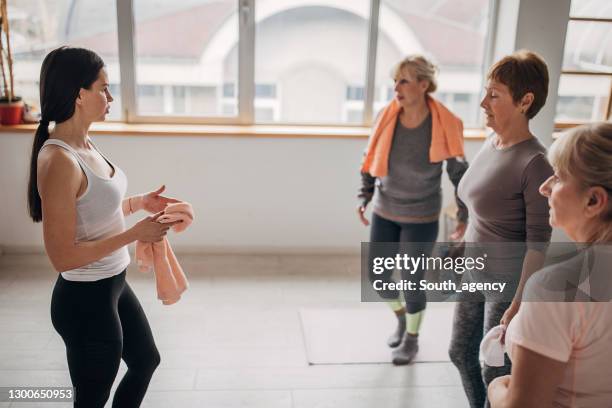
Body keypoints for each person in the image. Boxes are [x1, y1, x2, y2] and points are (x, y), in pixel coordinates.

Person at [27, 46, 179, 407]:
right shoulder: (59, 159)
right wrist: (135, 233)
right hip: (84, 300)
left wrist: (138, 203)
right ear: (80, 95)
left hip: (113, 285)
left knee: (145, 362)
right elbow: (63, 257)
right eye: (104, 88)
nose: (110, 97)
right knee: (92, 398)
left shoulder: (85, 143)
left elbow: (93, 212)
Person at [448, 50, 553, 407]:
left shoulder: (535, 163)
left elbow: (539, 245)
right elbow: (483, 212)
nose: (483, 102)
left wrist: (518, 303)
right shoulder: (492, 144)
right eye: (485, 92)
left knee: (495, 370)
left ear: (525, 101)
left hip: (507, 284)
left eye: (494, 95)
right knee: (460, 351)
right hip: (475, 270)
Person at [489, 122, 612, 408]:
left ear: (593, 200)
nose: (544, 188)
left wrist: (499, 386)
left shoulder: (556, 286)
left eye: (557, 177)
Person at [358, 55, 469, 365]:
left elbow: (460, 174)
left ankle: (412, 338)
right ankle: (403, 319)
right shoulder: (386, 116)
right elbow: (370, 159)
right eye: (395, 80)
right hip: (385, 209)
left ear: (424, 84)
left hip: (421, 215)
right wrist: (364, 195)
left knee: (412, 281)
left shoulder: (444, 122)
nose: (397, 87)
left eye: (404, 80)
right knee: (378, 279)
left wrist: (463, 216)